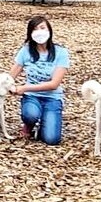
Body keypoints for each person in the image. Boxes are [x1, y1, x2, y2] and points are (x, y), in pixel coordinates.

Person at [9, 16, 70, 146]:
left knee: (51, 139)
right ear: (30, 34)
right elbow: (11, 76)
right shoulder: (25, 51)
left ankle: (45, 123)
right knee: (30, 115)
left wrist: (24, 88)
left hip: (52, 98)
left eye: (42, 28)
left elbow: (54, 84)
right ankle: (30, 123)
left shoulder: (61, 52)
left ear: (49, 30)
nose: (39, 32)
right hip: (31, 97)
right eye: (35, 29)